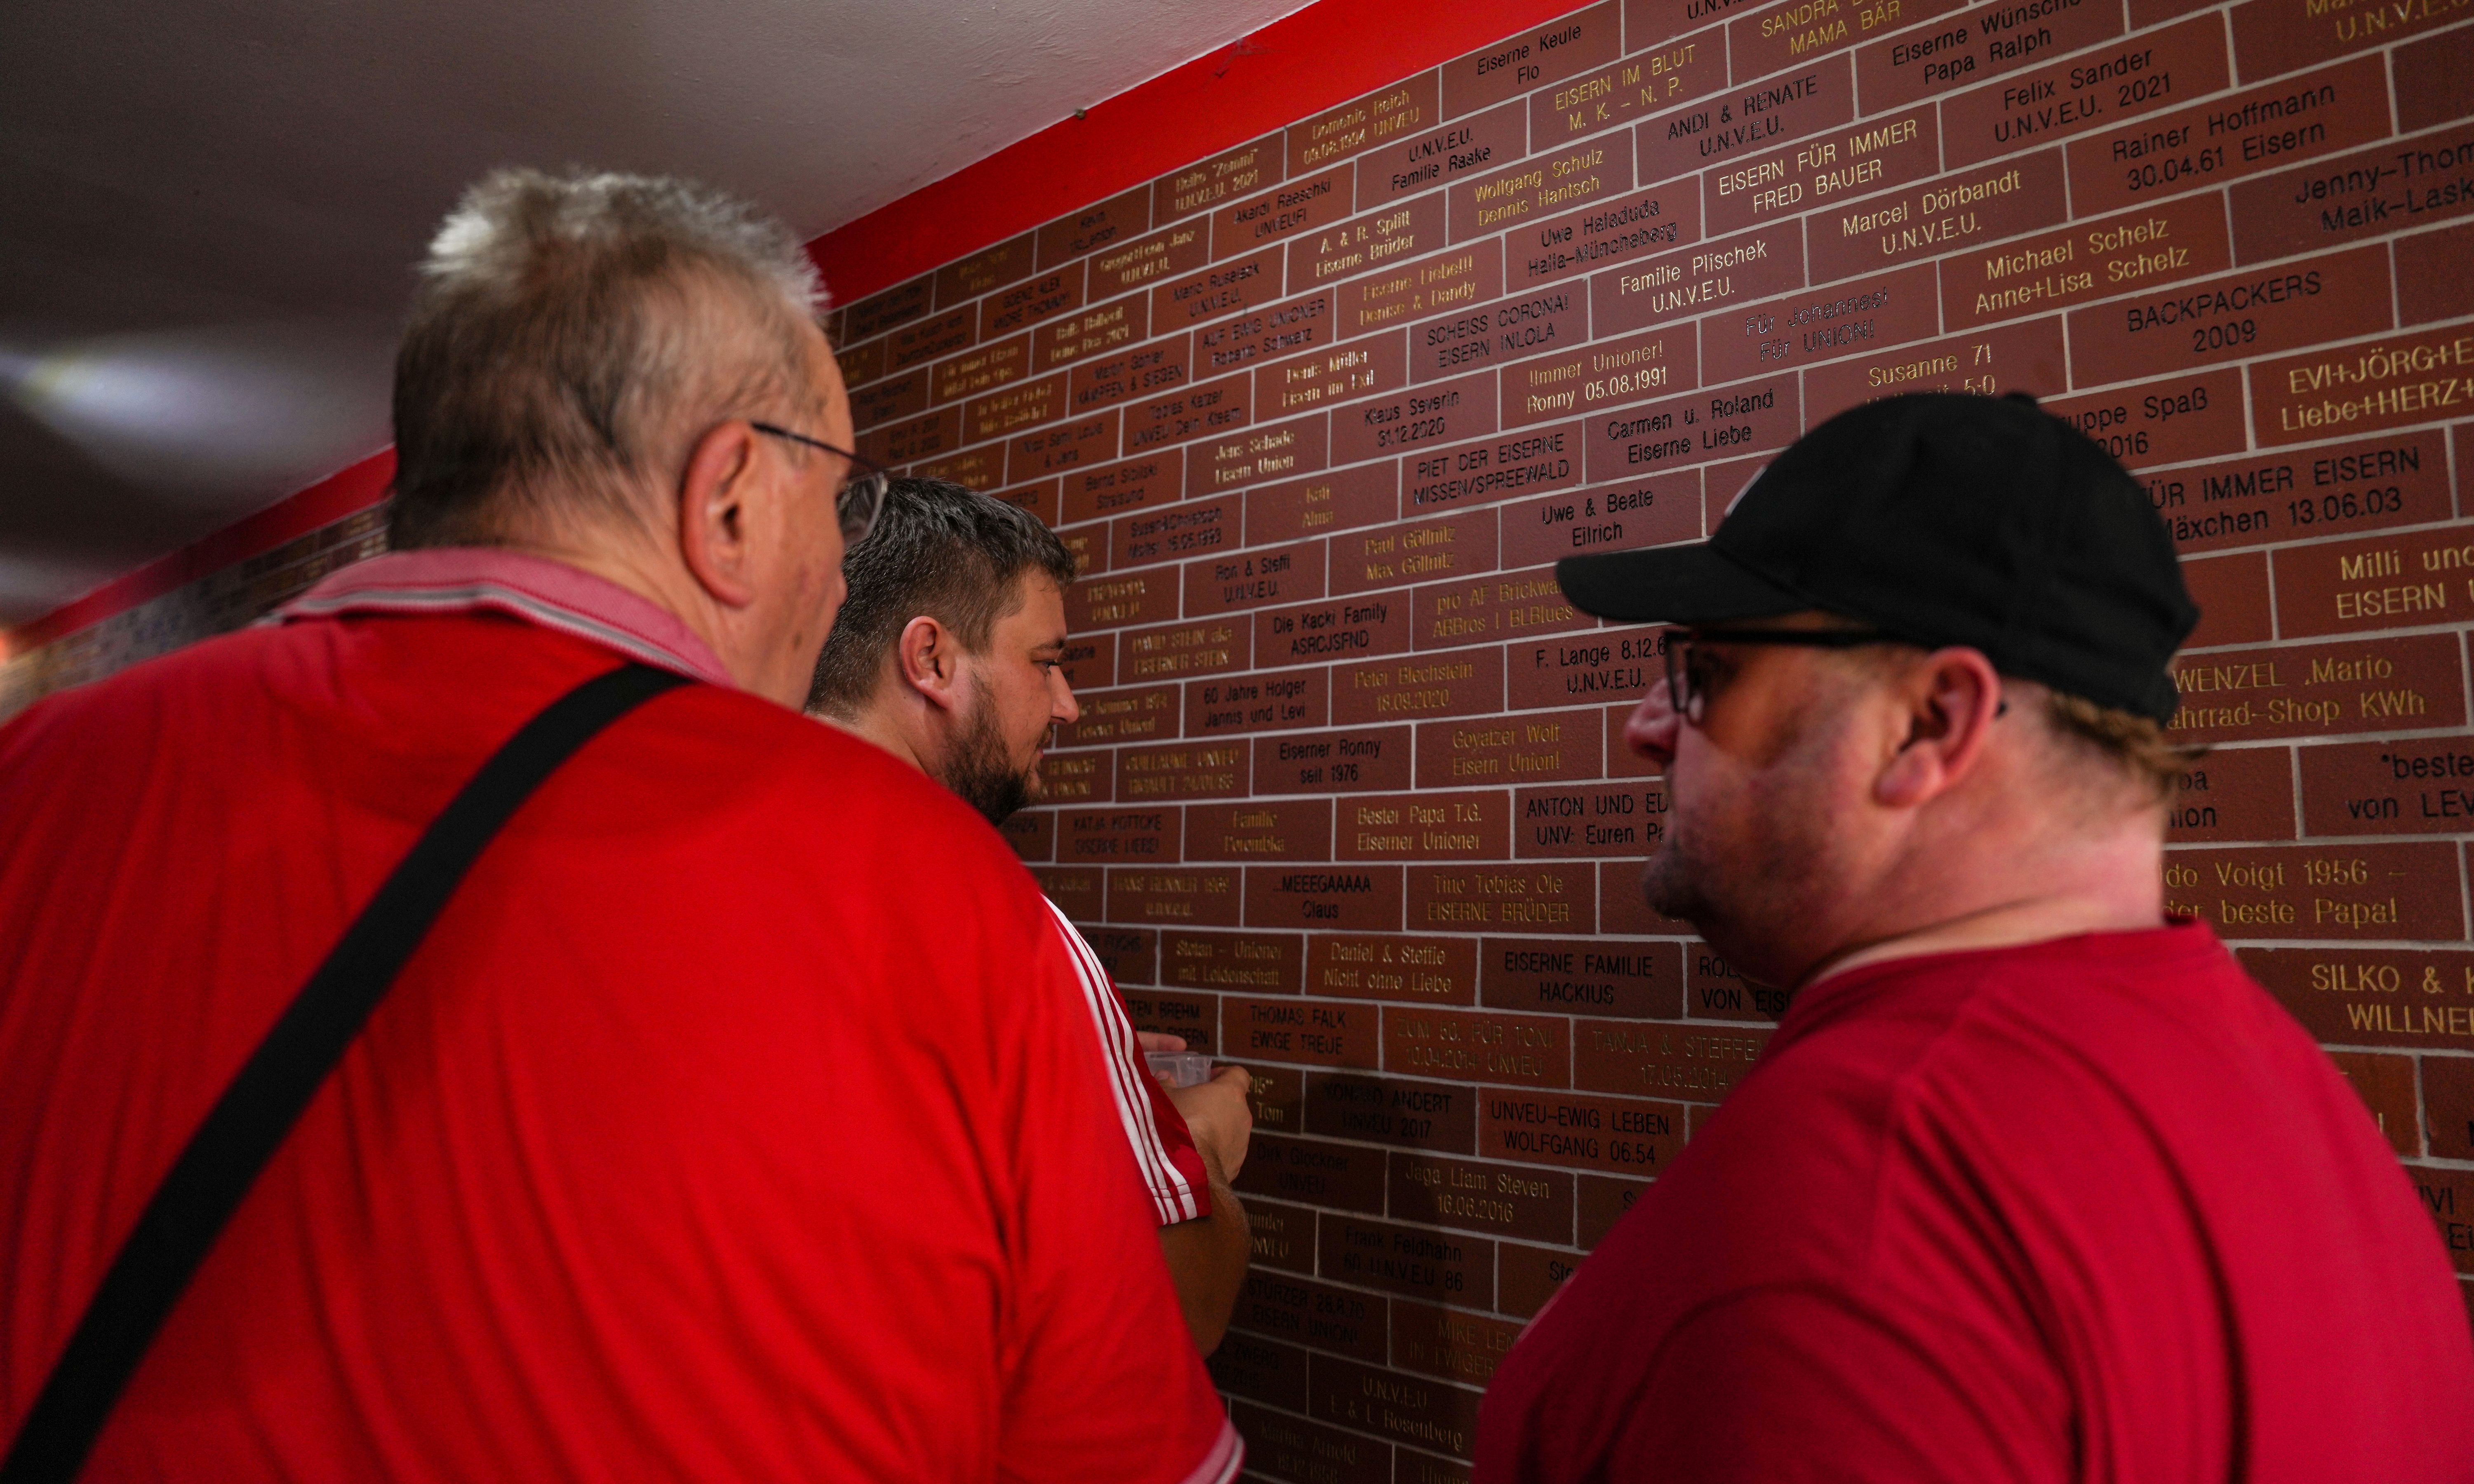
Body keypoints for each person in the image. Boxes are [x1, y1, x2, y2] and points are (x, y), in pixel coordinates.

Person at [0, 169, 1239, 1483]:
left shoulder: (35, 774)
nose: (836, 570)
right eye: (839, 498)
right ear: (728, 505)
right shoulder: (917, 880)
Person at [1475, 392, 2474, 1481]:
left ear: (1929, 724)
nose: (1647, 727)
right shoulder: (2302, 1106)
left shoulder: (1859, 1205)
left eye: (1707, 674)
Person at [807, 476, 1255, 1352]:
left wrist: (1083, 1073)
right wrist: (1197, 1145)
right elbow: (1175, 1305)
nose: (1067, 705)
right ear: (930, 659)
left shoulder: (695, 862)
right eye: (1045, 663)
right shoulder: (1006, 927)